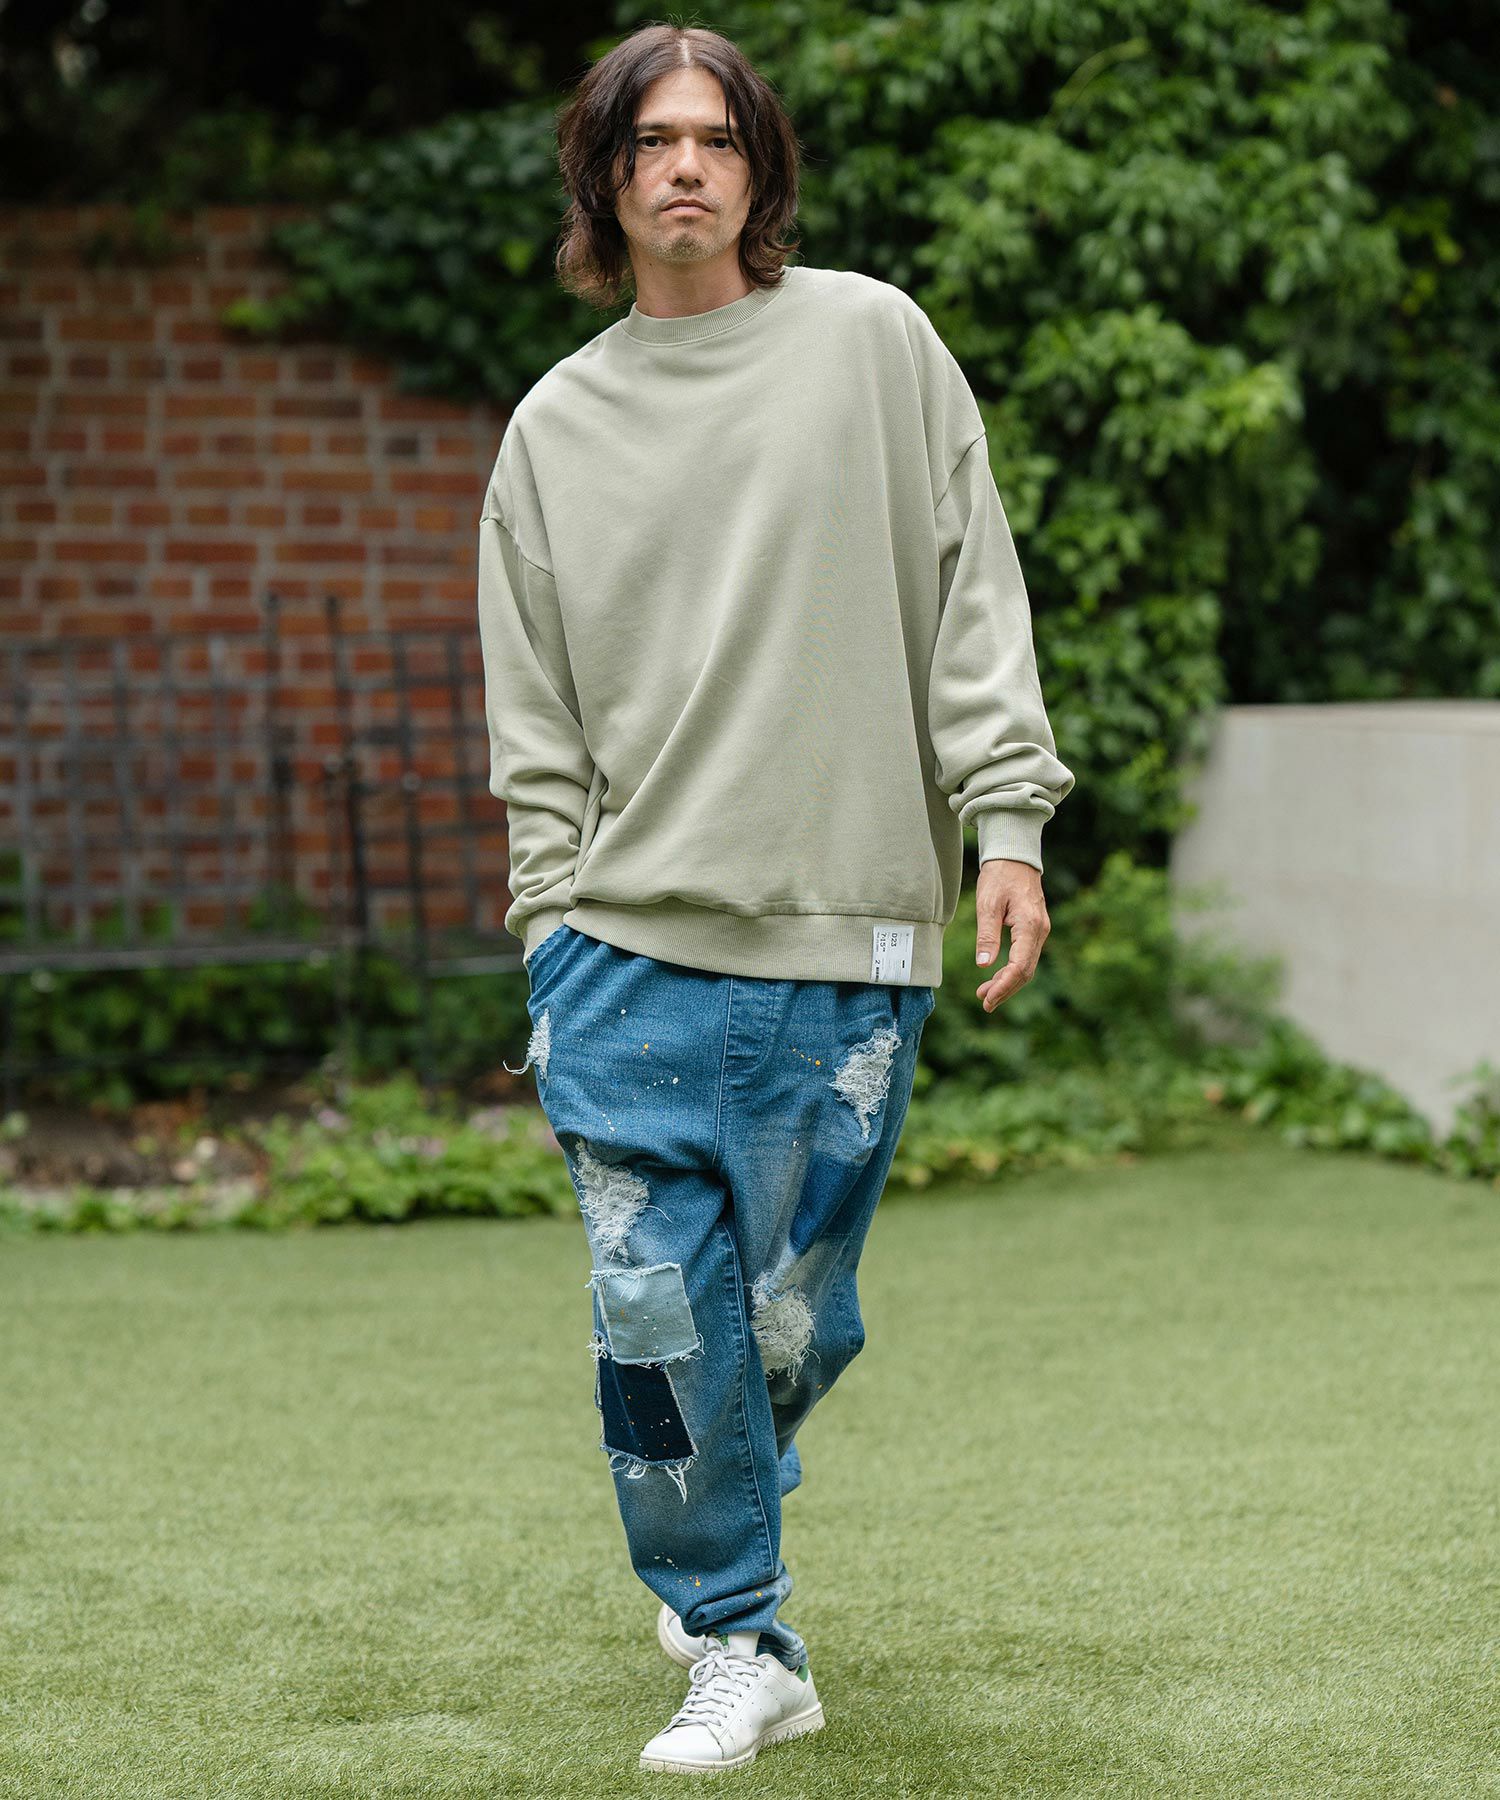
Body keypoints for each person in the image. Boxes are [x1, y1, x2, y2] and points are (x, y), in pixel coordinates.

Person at [476, 22, 1075, 1777]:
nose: (685, 166)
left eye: (717, 138)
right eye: (650, 140)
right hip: (622, 948)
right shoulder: (554, 429)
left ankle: (726, 1482)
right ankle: (739, 1633)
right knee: (652, 1316)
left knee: (789, 1320)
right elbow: (536, 720)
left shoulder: (872, 344)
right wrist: (547, 932)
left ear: (759, 171)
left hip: (848, 941)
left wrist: (1010, 820)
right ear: (603, 177)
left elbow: (973, 588)